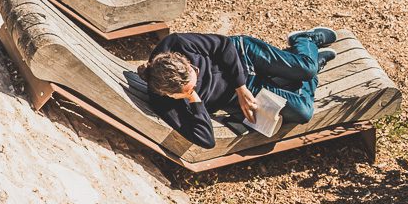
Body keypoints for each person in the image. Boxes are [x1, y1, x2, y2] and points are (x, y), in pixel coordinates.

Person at [138, 27, 338, 150]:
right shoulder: (164, 103)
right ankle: (303, 66)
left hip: (243, 56)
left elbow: (224, 45)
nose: (198, 75)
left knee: (307, 69)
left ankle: (304, 40)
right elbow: (206, 140)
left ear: (182, 61)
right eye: (191, 87)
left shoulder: (176, 44)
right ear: (173, 95)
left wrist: (240, 87)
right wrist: (195, 99)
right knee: (304, 112)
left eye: (194, 70)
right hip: (248, 90)